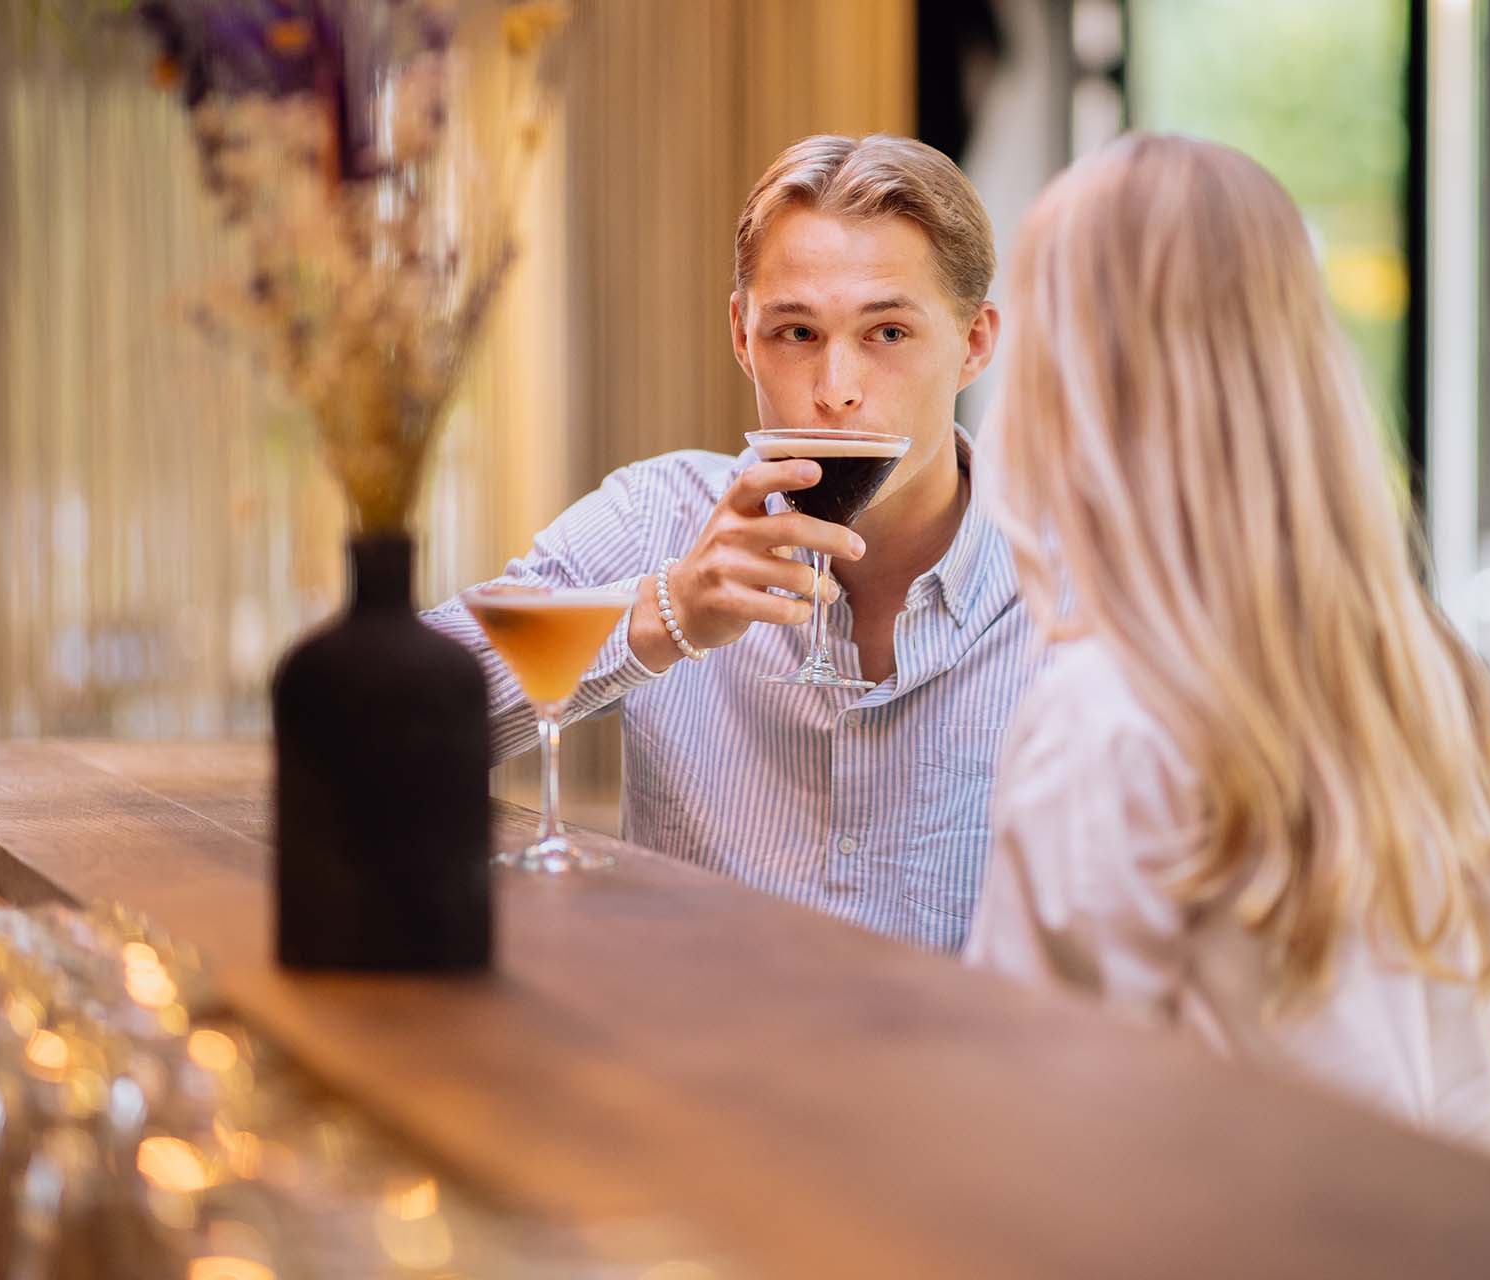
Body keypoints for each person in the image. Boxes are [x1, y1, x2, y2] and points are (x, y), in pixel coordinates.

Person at [964, 134, 1490, 1160]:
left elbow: (1032, 1133)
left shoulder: (1102, 717)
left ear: (1075, 386)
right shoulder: (1410, 672)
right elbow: (1460, 1092)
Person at [425, 135, 1041, 952]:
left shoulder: (1075, 585)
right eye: (797, 334)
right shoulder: (655, 517)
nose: (837, 391)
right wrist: (661, 617)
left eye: (888, 333)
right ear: (743, 337)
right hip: (689, 1067)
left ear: (974, 343)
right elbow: (378, 731)